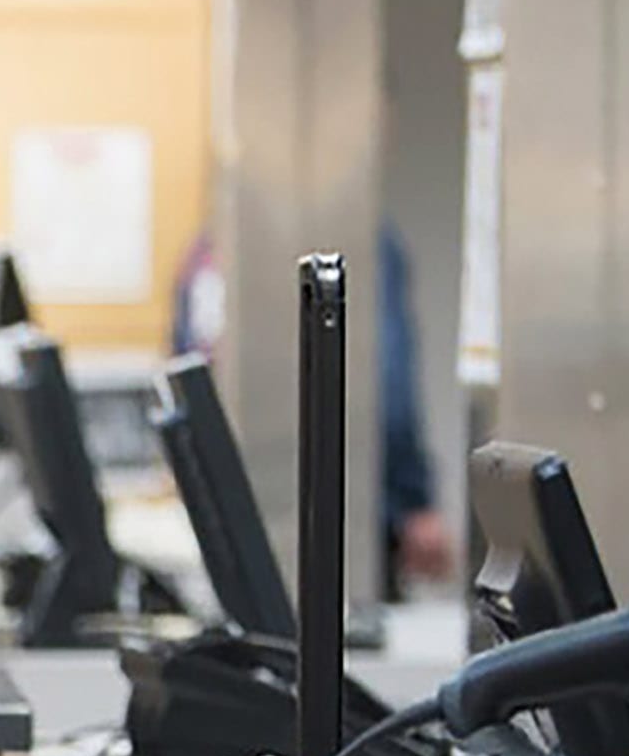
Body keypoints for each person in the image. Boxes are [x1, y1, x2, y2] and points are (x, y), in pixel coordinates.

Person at [170, 222, 451, 595]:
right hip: (354, 517)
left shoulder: (209, 249)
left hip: (236, 518)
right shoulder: (364, 243)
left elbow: (185, 376)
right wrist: (414, 498)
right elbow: (389, 379)